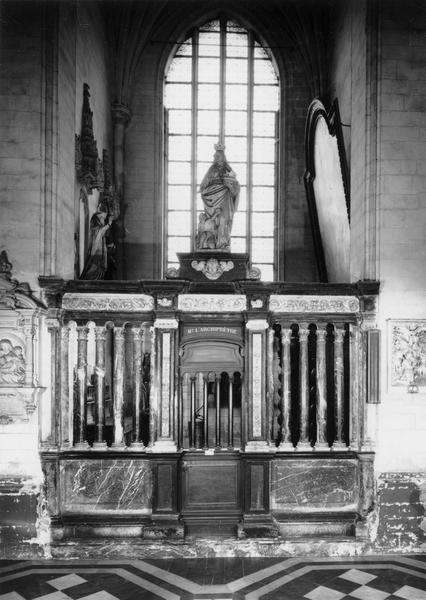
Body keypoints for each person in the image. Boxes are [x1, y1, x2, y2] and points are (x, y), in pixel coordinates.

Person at [197, 144, 240, 251]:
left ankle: (223, 243)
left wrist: (230, 186)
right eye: (215, 156)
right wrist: (208, 189)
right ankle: (210, 241)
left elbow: (235, 185)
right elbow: (204, 185)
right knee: (212, 223)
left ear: (223, 157)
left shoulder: (228, 169)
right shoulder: (211, 170)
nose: (216, 158)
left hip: (225, 198)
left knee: (223, 221)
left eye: (218, 156)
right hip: (213, 197)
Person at [80, 209, 113, 280]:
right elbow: (100, 232)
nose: (103, 220)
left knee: (99, 267)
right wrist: (109, 224)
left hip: (100, 249)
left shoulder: (98, 225)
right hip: (96, 250)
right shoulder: (95, 224)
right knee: (95, 265)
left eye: (103, 218)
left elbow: (102, 233)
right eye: (102, 218)